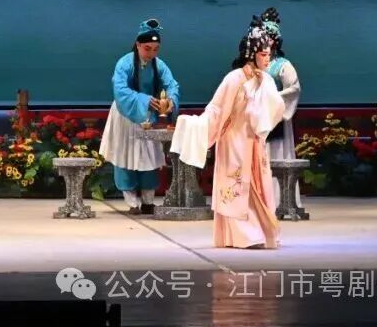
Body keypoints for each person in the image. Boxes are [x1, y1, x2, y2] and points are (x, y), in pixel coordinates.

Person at [201, 22, 285, 248]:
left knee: (258, 185)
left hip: (254, 141)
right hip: (233, 140)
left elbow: (275, 109)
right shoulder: (234, 78)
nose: (267, 59)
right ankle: (244, 236)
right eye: (263, 54)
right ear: (251, 54)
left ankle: (260, 232)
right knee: (237, 186)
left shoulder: (266, 80)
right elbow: (216, 108)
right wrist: (199, 126)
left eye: (269, 54)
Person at [99, 18, 181, 215]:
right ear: (137, 44)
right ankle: (132, 202)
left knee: (149, 157)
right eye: (147, 48)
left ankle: (148, 200)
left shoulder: (159, 65)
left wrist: (170, 100)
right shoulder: (124, 63)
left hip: (148, 117)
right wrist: (144, 100)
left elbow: (172, 85)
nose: (151, 53)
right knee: (125, 156)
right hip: (125, 116)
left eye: (155, 49)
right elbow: (120, 90)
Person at [259, 7, 304, 209]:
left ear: (275, 41)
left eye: (269, 38)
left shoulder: (283, 65)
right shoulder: (254, 64)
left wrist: (273, 99)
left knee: (275, 156)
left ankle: (278, 201)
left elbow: (294, 89)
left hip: (276, 118)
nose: (266, 42)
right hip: (258, 118)